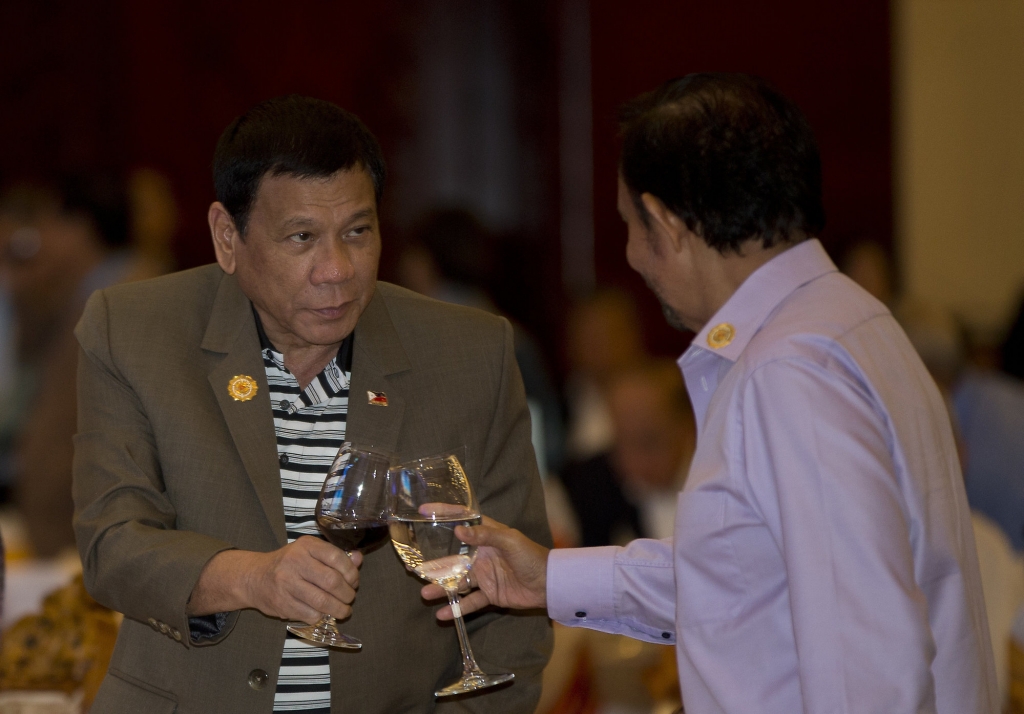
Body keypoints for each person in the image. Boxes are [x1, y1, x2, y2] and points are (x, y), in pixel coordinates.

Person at [424, 74, 998, 713]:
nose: (634, 257)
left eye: (629, 226)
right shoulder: (851, 323)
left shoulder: (791, 369)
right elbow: (745, 575)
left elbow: (865, 662)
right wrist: (550, 576)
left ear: (667, 224)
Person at [73, 96, 551, 713]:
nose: (338, 270)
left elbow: (517, 594)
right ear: (227, 236)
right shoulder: (135, 332)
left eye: (358, 232)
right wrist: (252, 577)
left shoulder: (469, 353)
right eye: (302, 237)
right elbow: (113, 542)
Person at [0, 175, 161, 556]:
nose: (42, 236)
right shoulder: (85, 289)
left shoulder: (135, 295)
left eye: (52, 223)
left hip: (99, 509)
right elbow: (28, 352)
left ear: (79, 228)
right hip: (69, 504)